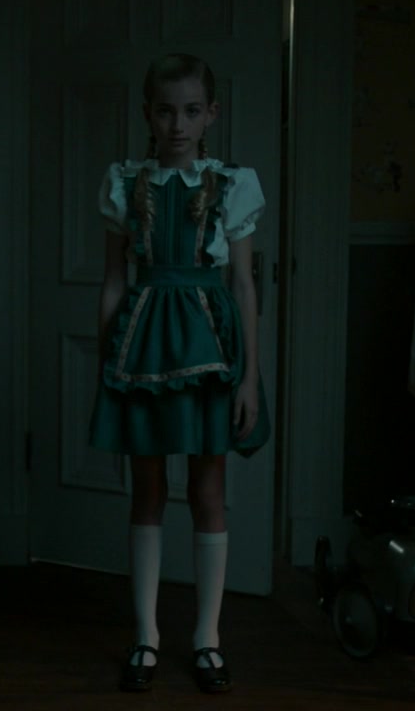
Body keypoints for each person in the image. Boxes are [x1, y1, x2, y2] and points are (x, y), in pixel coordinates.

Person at [88, 52, 270, 694]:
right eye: (166, 111)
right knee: (147, 490)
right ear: (148, 114)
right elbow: (114, 282)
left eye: (191, 111)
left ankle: (207, 639)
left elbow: (243, 285)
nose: (178, 124)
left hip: (211, 351)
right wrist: (108, 362)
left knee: (207, 491)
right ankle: (146, 635)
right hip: (143, 350)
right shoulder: (124, 183)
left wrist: (249, 377)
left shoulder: (230, 184)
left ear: (211, 114)